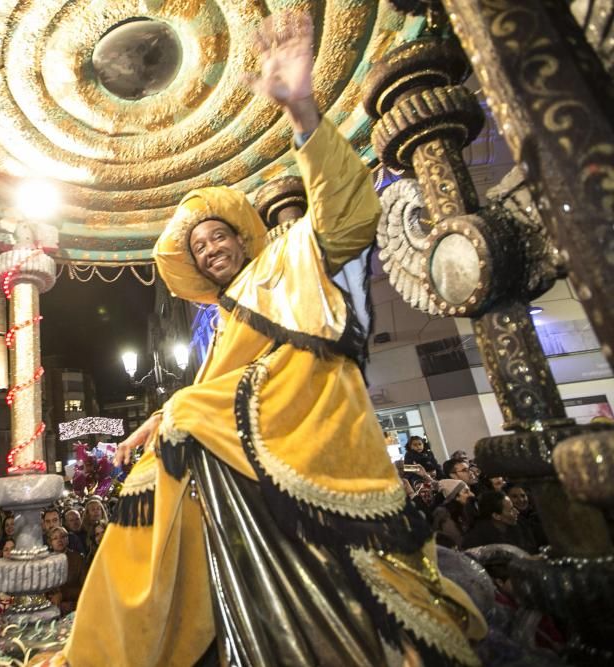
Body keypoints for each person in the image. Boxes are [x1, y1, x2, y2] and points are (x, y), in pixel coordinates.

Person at [61, 11, 485, 666]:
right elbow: (201, 397)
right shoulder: (223, 324)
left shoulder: (287, 263)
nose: (211, 249)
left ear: (240, 237)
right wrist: (154, 426)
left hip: (312, 447)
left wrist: (302, 114)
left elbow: (347, 215)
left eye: (218, 236)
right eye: (199, 248)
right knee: (144, 499)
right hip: (244, 468)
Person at [463, 491, 537, 552]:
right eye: (511, 510)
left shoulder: (519, 523)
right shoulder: (475, 541)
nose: (517, 512)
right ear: (496, 516)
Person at [432, 479, 475, 549]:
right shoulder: (444, 515)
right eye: (466, 492)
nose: (472, 494)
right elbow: (458, 541)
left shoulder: (464, 510)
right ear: (456, 497)